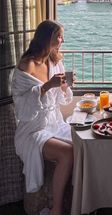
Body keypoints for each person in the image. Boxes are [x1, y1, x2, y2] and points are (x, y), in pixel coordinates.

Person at [11, 20, 74, 215]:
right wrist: (47, 86)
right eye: (59, 36)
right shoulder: (27, 65)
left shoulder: (54, 61)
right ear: (47, 38)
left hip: (54, 123)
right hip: (32, 131)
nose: (62, 40)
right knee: (67, 153)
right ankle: (56, 209)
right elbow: (21, 107)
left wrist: (64, 86)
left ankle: (81, 199)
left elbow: (61, 100)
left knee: (82, 144)